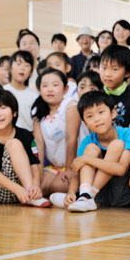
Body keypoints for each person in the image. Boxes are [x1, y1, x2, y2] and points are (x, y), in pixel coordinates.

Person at [53, 91, 130, 211]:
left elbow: (121, 169)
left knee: (117, 145)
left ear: (113, 113)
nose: (97, 119)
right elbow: (77, 171)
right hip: (100, 197)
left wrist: (86, 159)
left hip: (121, 193)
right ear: (85, 123)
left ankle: (87, 196)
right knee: (91, 148)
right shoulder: (88, 141)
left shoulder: (128, 134)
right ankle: (83, 196)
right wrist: (70, 192)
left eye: (101, 112)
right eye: (90, 116)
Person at [31, 68, 79, 196]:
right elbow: (39, 143)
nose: (50, 89)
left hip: (74, 165)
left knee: (57, 186)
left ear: (65, 89)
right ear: (39, 89)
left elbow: (71, 138)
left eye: (55, 85)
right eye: (45, 85)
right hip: (54, 166)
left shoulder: (70, 106)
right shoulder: (37, 112)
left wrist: (69, 169)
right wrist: (39, 172)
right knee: (38, 186)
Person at [99, 45, 130, 132]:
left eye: (115, 69)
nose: (107, 74)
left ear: (127, 72)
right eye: (104, 68)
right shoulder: (96, 97)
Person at [3, 50, 38, 131]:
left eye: (27, 65)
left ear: (31, 72)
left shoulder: (35, 96)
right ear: (10, 68)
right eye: (18, 64)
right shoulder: (2, 92)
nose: (22, 68)